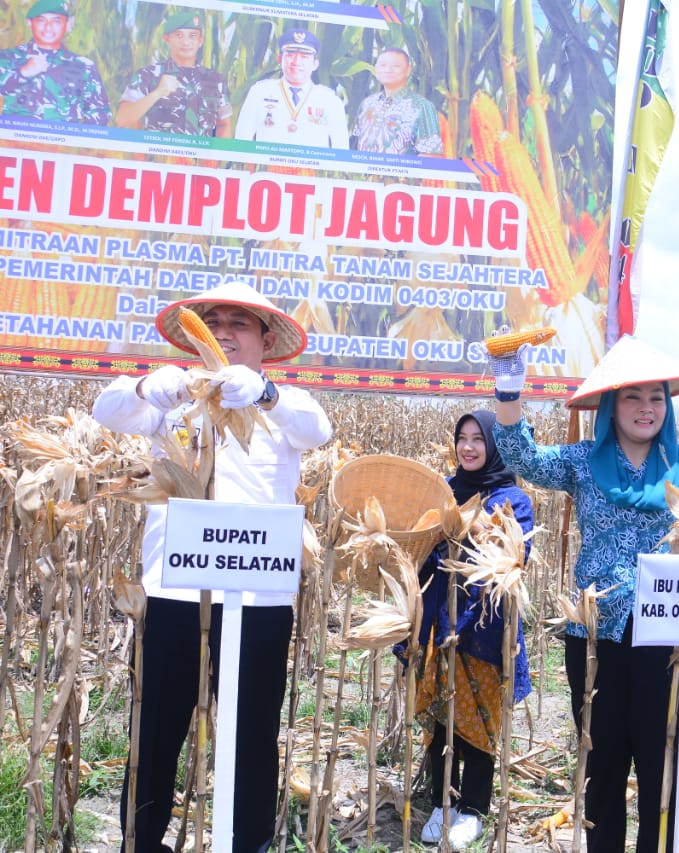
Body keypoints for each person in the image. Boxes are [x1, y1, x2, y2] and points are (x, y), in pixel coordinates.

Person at [489, 332, 679, 852]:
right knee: (603, 760)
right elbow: (521, 454)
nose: (646, 408)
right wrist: (509, 386)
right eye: (632, 397)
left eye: (656, 397)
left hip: (669, 638)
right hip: (595, 637)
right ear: (611, 406)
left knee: (664, 764)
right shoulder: (581, 461)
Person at [93, 280, 332, 853]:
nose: (223, 331)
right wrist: (152, 385)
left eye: (238, 323)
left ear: (265, 339)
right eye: (213, 321)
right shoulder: (174, 403)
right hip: (174, 590)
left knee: (251, 735)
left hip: (258, 600)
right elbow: (108, 408)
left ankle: (244, 842)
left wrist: (265, 393)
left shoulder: (283, 404)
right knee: (155, 733)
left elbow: (318, 429)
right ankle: (141, 840)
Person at [415, 410, 533, 848]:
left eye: (477, 439)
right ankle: (441, 803)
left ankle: (475, 809)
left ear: (493, 446)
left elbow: (513, 557)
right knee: (439, 718)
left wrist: (473, 528)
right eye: (462, 439)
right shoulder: (443, 491)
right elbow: (422, 549)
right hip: (439, 622)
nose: (467, 447)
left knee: (481, 719)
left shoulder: (512, 499)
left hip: (484, 626)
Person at [115, 9, 231, 137]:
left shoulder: (216, 80)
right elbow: (122, 119)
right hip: (158, 154)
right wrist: (158, 93)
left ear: (200, 41)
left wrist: (214, 156)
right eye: (179, 35)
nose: (186, 42)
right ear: (167, 39)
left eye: (192, 36)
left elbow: (224, 124)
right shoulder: (148, 75)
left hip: (199, 156)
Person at [0, 0, 109, 124]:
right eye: (41, 20)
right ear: (29, 23)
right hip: (13, 140)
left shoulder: (85, 67)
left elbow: (100, 113)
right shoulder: (7, 58)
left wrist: (77, 139)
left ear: (67, 25)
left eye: (56, 21)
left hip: (64, 141)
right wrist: (21, 74)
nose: (48, 27)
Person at [234, 28, 348, 148]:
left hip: (310, 166)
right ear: (279, 60)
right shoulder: (260, 92)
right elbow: (241, 140)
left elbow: (341, 148)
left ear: (315, 64)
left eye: (304, 56)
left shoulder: (329, 99)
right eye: (290, 55)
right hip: (267, 166)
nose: (296, 62)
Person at [352, 47, 443, 155]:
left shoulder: (423, 106)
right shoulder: (367, 103)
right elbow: (355, 143)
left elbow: (431, 155)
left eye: (396, 66)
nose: (388, 70)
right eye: (383, 65)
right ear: (376, 69)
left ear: (408, 70)